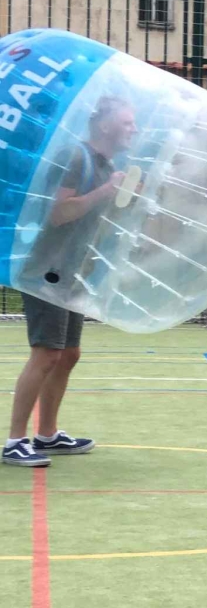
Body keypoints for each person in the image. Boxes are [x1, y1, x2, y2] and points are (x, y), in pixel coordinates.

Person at [3, 96, 135, 468]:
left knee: (69, 353)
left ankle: (47, 433)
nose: (134, 129)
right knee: (47, 352)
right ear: (105, 124)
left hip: (73, 269)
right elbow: (59, 212)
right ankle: (14, 441)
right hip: (48, 267)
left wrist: (124, 197)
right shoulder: (75, 156)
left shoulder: (107, 164)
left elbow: (93, 216)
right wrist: (107, 191)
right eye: (127, 122)